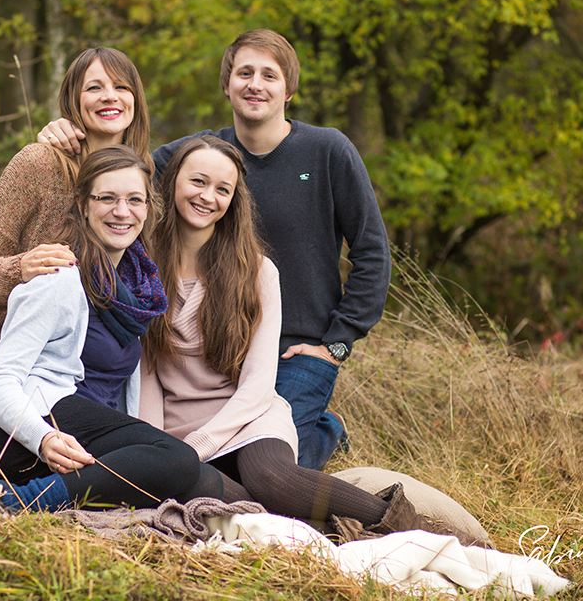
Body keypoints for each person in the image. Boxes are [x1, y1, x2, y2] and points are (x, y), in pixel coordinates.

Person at [41, 30, 391, 470]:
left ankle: (327, 431)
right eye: (244, 73)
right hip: (220, 345)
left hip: (296, 351)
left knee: (276, 466)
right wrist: (69, 132)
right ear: (226, 84)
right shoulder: (200, 155)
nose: (255, 84)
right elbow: (120, 176)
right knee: (210, 463)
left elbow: (373, 252)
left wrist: (337, 342)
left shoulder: (328, 151)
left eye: (269, 75)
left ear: (289, 90)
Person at [138, 136, 414, 535]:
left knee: (271, 479)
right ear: (173, 182)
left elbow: (257, 386)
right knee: (214, 502)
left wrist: (195, 447)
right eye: (197, 181)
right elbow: (146, 374)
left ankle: (407, 528)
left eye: (222, 189)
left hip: (249, 417)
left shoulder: (257, 273)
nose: (207, 196)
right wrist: (158, 449)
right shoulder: (144, 268)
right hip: (178, 432)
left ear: (234, 200)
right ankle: (313, 537)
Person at [0, 48, 156, 442]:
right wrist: (19, 269)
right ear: (74, 100)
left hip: (65, 359)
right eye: (95, 87)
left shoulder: (140, 175)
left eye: (121, 87)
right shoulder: (38, 164)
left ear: (136, 101)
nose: (110, 96)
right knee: (34, 453)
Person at [0, 146, 223, 511]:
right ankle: (20, 501)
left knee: (206, 482)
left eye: (134, 200)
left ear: (147, 207)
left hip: (87, 431)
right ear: (83, 205)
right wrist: (43, 438)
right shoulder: (58, 278)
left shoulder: (134, 287)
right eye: (107, 198)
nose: (122, 212)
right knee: (179, 459)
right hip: (34, 432)